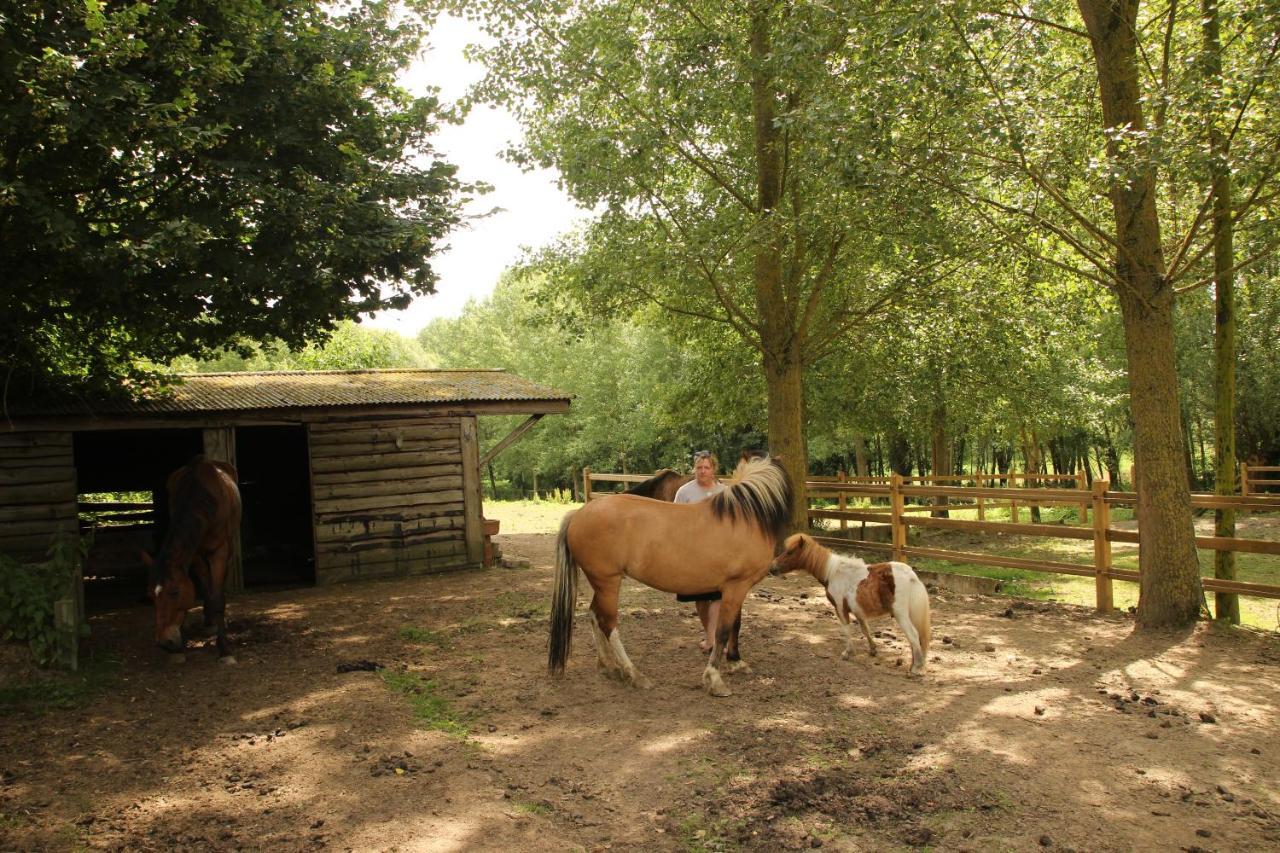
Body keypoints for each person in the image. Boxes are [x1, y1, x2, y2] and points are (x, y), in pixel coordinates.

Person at [674, 450, 726, 653]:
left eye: (707, 467)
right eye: (699, 468)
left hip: (719, 553)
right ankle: (710, 637)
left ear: (713, 469)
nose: (703, 471)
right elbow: (675, 523)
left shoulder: (725, 491)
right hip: (693, 554)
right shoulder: (684, 492)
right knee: (702, 597)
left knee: (719, 595)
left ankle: (713, 639)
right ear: (694, 469)